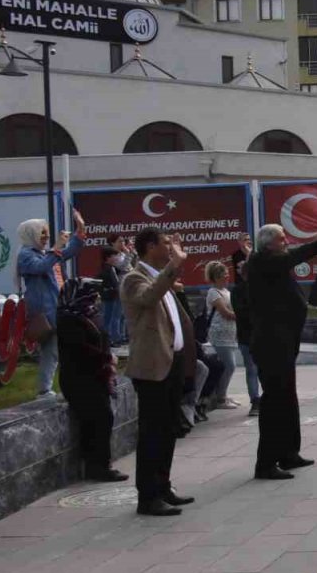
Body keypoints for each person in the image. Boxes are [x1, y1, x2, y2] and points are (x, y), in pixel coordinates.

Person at [249, 215, 317, 480]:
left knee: (288, 398)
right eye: (283, 238)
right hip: (271, 343)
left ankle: (289, 453)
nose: (287, 242)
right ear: (269, 244)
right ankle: (266, 463)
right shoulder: (262, 261)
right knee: (274, 401)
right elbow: (294, 256)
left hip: (284, 340)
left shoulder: (274, 261)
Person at [122, 226, 196, 517]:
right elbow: (148, 298)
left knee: (167, 431)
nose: (171, 247)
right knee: (152, 433)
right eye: (166, 243)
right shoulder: (133, 278)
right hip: (152, 368)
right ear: (150, 247)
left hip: (172, 362)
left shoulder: (160, 278)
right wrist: (174, 266)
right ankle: (148, 496)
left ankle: (163, 487)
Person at [55, 278, 127, 483]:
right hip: (79, 380)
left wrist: (108, 358)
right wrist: (105, 358)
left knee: (101, 419)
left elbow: (102, 338)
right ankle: (98, 466)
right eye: (90, 293)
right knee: (99, 418)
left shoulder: (89, 315)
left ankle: (98, 464)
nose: (95, 298)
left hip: (95, 377)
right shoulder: (67, 319)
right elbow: (80, 349)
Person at [16, 211, 87, 398]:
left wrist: (80, 231)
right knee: (53, 350)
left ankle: (58, 387)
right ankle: (45, 390)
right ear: (30, 234)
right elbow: (40, 267)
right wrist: (56, 247)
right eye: (42, 233)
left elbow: (67, 253)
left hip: (58, 308)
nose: (47, 236)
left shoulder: (44, 253)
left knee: (61, 349)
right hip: (45, 312)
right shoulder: (25, 254)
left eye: (47, 232)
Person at [204, 261, 241, 411]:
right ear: (216, 276)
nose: (227, 276)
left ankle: (223, 394)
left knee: (229, 366)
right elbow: (225, 312)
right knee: (229, 366)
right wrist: (243, 316)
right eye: (224, 274)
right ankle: (221, 398)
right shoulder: (213, 293)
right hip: (219, 334)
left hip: (231, 333)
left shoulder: (227, 292)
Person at [230, 255, 261, 416]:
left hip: (249, 336)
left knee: (253, 369)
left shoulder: (237, 291)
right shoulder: (255, 289)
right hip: (254, 335)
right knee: (255, 369)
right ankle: (257, 400)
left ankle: (256, 400)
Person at [97, 246, 124, 346]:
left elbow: (125, 267)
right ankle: (109, 339)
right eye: (114, 256)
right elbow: (101, 282)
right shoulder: (105, 269)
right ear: (108, 258)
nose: (117, 258)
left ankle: (114, 337)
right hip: (109, 297)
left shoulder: (113, 268)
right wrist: (109, 289)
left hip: (115, 296)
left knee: (114, 317)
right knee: (109, 318)